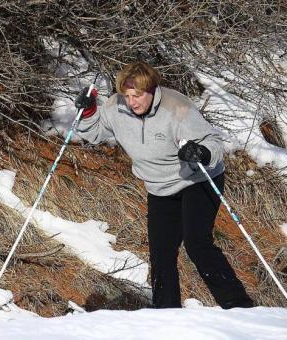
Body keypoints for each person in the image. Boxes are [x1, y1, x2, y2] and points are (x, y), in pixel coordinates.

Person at [75, 61, 253, 309]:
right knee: (161, 255)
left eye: (137, 95)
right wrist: (88, 110)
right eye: (127, 95)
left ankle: (239, 306)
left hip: (196, 180)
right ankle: (165, 313)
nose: (131, 102)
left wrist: (200, 152)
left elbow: (212, 142)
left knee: (196, 243)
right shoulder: (116, 107)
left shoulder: (175, 107)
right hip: (159, 187)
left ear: (151, 90)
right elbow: (92, 133)